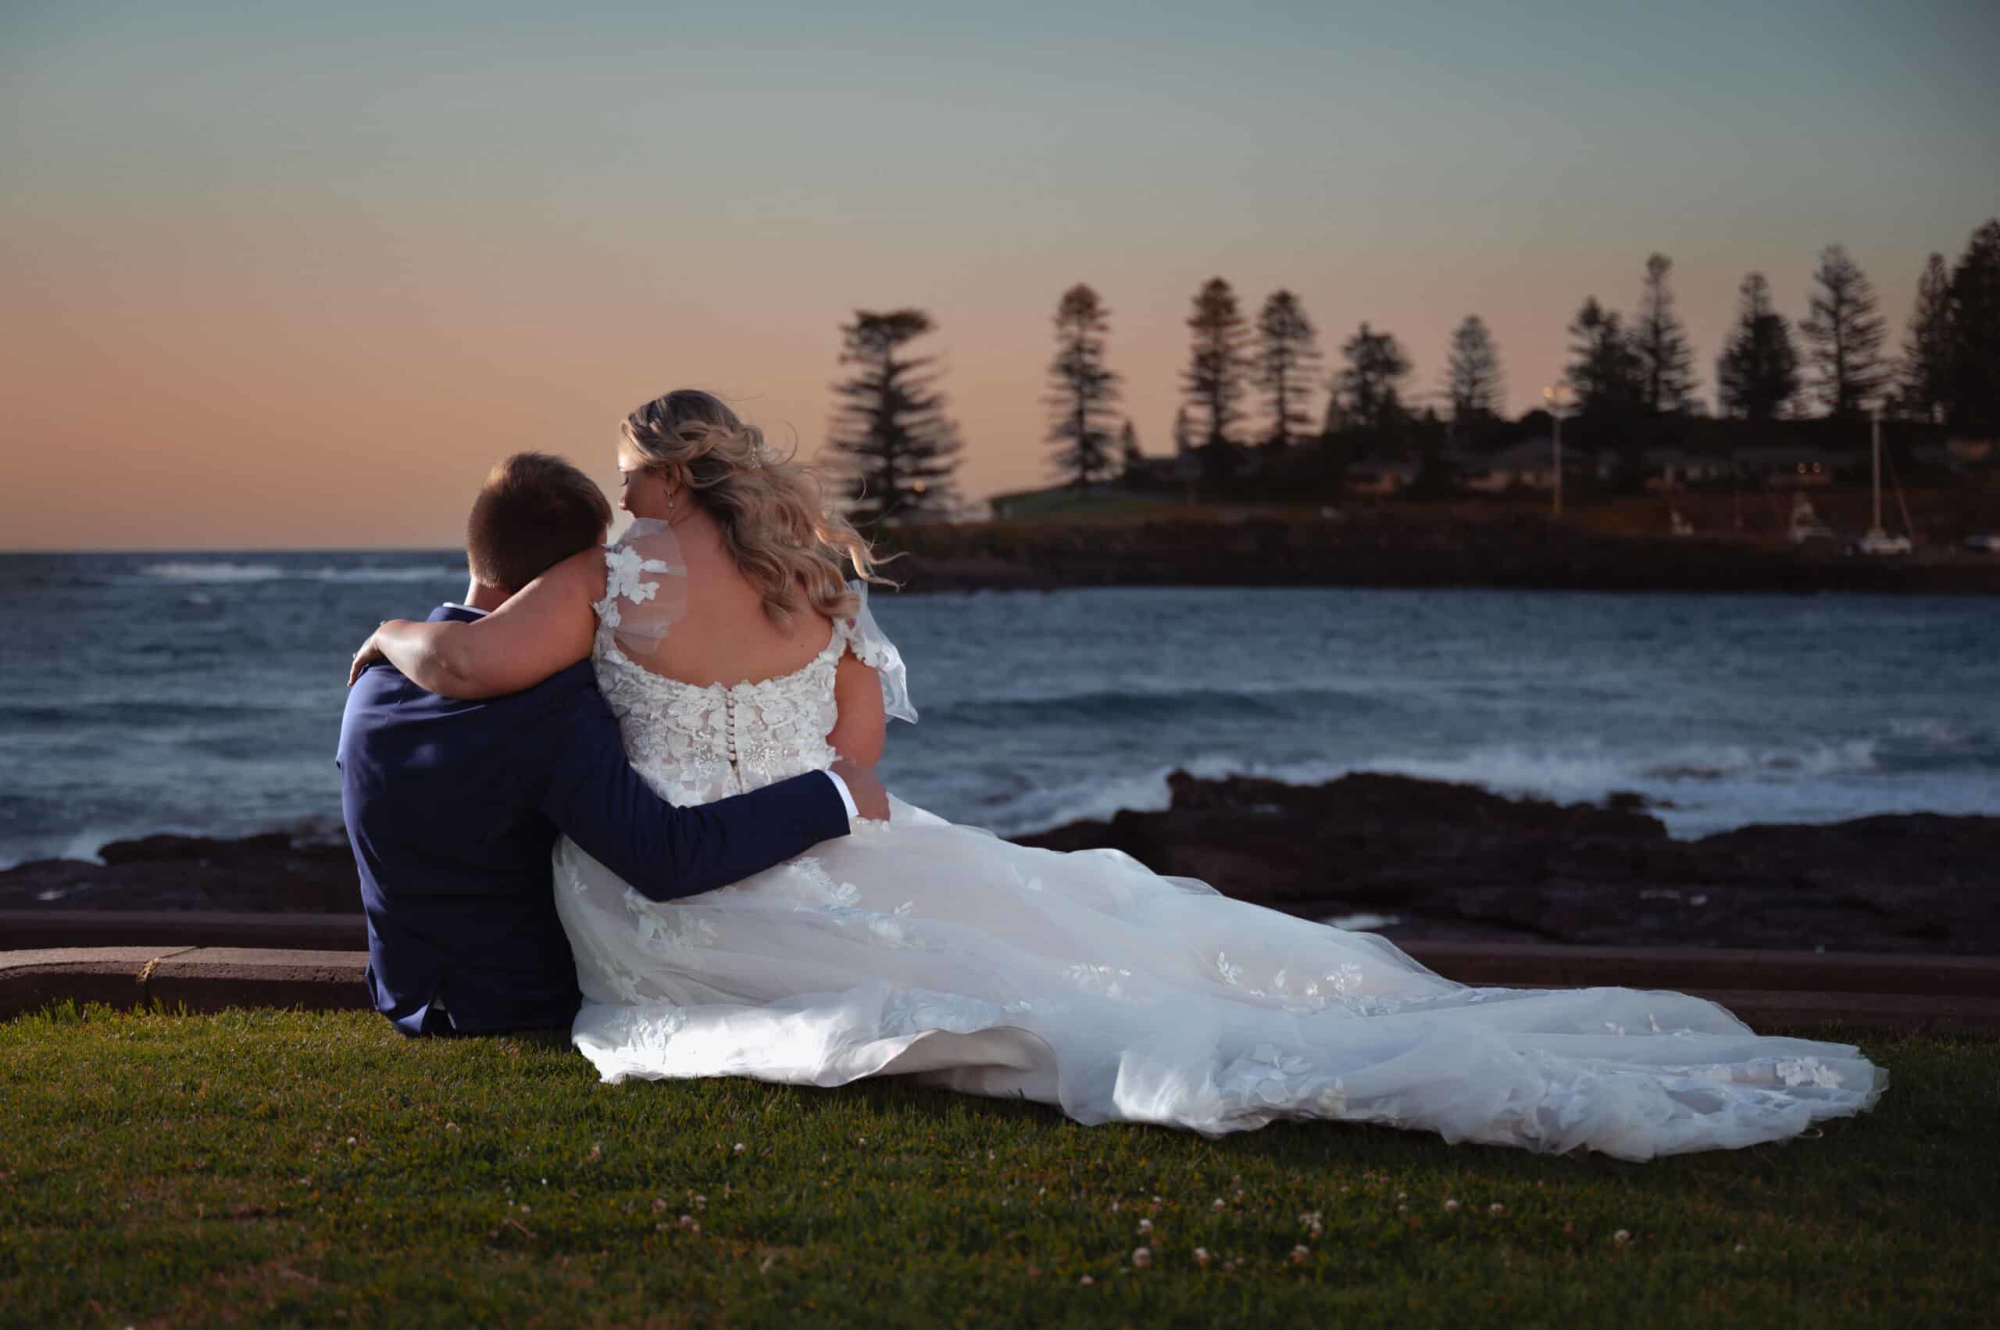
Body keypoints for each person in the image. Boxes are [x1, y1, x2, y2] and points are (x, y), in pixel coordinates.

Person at [350, 392, 1884, 1159]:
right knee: (1087, 938)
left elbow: (481, 664)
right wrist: (802, 792)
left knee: (1029, 1003)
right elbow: (859, 763)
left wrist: (384, 634)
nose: (621, 494)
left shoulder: (621, 569)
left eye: (630, 472)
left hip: (681, 896)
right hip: (849, 839)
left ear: (666, 471)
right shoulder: (812, 572)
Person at [338, 451, 885, 1037]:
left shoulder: (372, 684)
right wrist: (831, 795)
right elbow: (665, 858)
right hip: (524, 1004)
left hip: (407, 995)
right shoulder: (552, 706)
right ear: (567, 577)